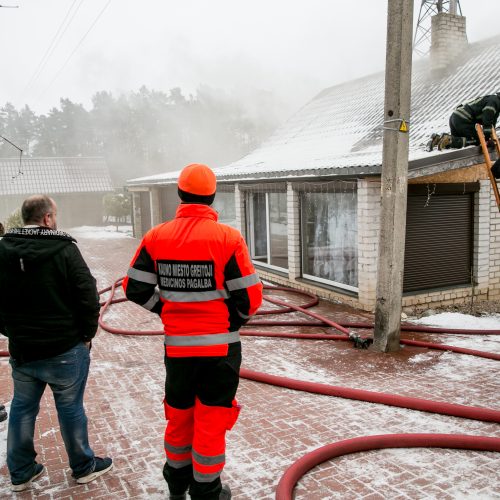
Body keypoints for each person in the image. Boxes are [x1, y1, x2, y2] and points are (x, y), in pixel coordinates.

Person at [123, 164, 263, 500]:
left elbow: (135, 288)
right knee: (211, 423)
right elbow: (250, 297)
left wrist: (167, 309)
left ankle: (176, 486)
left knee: (179, 419)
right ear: (212, 197)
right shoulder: (227, 239)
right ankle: (207, 491)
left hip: (178, 351)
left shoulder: (156, 236)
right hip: (220, 353)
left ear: (181, 195)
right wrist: (232, 320)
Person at [0, 195, 112, 492]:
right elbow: (87, 295)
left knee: (22, 409)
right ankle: (83, 466)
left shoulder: (2, 250)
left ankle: (21, 472)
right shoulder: (64, 249)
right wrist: (87, 335)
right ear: (47, 218)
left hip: (24, 350)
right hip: (65, 349)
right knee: (70, 408)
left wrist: (11, 330)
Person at [427, 93, 500, 151]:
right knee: (477, 140)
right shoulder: (494, 102)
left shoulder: (493, 100)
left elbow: (492, 122)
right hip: (463, 119)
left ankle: (438, 140)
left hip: (455, 117)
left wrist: (491, 137)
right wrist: (487, 139)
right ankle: (449, 140)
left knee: (458, 140)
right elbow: (487, 120)